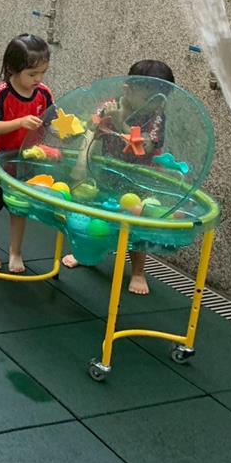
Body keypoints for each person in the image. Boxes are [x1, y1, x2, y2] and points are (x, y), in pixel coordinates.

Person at [63, 59, 175, 295]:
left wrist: (120, 122)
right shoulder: (110, 105)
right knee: (98, 213)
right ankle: (87, 253)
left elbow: (144, 146)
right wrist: (97, 125)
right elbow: (90, 128)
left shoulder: (156, 116)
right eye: (149, 98)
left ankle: (138, 272)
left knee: (136, 221)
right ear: (128, 89)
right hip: (108, 170)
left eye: (160, 100)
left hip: (139, 177)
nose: (155, 105)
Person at [0, 34, 54, 274]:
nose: (38, 79)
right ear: (12, 69)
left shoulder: (43, 93)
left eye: (43, 72)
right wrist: (20, 122)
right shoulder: (1, 92)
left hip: (24, 162)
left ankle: (15, 252)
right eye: (32, 74)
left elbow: (51, 122)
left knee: (20, 208)